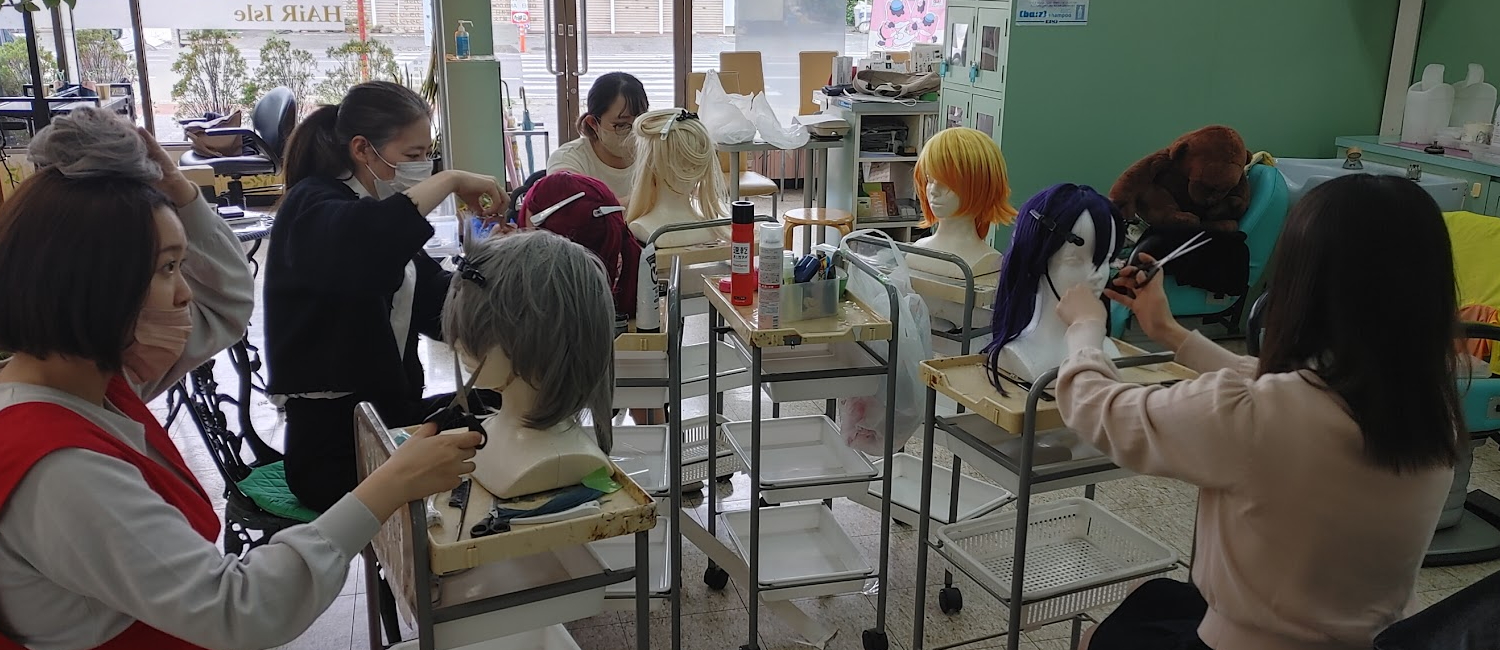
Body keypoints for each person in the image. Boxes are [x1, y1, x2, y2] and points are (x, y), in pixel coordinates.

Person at [0, 107, 482, 650]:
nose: (186, 293)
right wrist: (390, 484)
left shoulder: (98, 387)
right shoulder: (58, 467)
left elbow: (228, 300)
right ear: (95, 283)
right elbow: (240, 608)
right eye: (167, 269)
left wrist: (179, 188)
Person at [1052, 173, 1462, 650]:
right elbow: (1281, 391)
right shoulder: (1432, 411)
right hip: (1366, 636)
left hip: (1247, 640)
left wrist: (1085, 329)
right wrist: (1170, 332)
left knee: (1106, 635)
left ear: (1303, 283)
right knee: (1152, 598)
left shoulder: (1260, 417)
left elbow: (1096, 408)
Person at [266, 81, 506, 513]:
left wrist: (502, 269)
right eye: (413, 156)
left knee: (496, 409)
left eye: (428, 155)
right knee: (482, 457)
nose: (423, 167)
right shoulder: (314, 207)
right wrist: (451, 180)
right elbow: (372, 242)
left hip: (387, 420)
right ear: (362, 149)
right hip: (335, 450)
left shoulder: (372, 211)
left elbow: (437, 304)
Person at [546, 72, 649, 204]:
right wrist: (649, 200)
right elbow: (575, 210)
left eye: (641, 121)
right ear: (593, 123)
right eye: (621, 125)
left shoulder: (656, 153)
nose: (634, 132)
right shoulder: (568, 159)